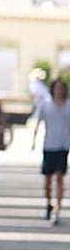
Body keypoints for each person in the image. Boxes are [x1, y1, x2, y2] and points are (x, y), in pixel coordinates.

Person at [32, 78, 70, 225]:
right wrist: (33, 140)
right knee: (48, 180)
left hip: (63, 146)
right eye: (57, 88)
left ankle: (58, 208)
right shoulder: (46, 105)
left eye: (61, 88)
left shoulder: (68, 106)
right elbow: (38, 122)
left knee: (60, 178)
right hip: (49, 146)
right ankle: (49, 203)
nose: (59, 91)